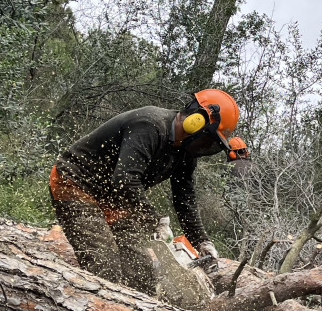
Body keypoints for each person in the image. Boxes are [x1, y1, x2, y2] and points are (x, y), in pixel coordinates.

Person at [48, 89, 248, 294]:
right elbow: (125, 179)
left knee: (141, 273)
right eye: (208, 138)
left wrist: (201, 241)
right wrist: (155, 220)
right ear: (197, 121)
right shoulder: (150, 125)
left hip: (115, 197)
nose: (206, 145)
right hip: (76, 183)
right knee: (105, 267)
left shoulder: (185, 152)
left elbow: (184, 200)